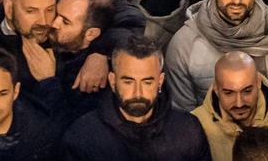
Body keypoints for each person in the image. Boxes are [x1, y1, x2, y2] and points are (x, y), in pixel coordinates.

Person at [63, 37, 216, 161]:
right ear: (112, 81)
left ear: (160, 81)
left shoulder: (187, 129)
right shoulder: (83, 136)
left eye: (147, 82)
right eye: (128, 81)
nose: (138, 93)